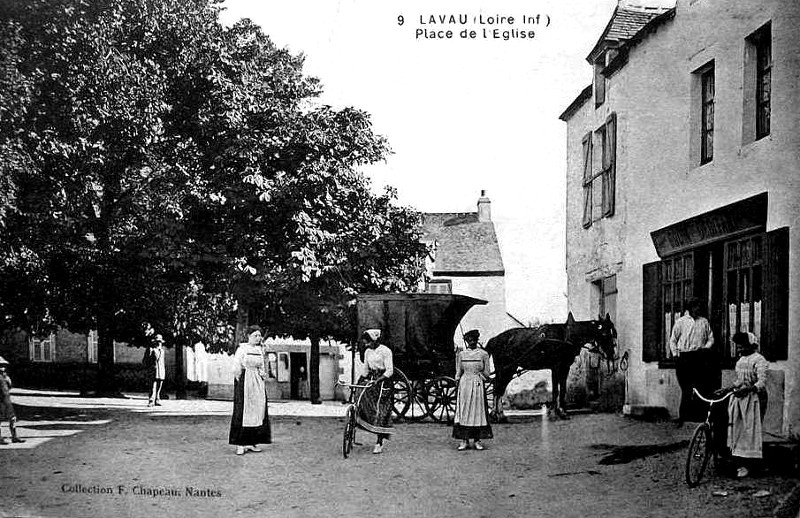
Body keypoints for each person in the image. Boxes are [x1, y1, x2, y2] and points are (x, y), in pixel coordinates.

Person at [724, 331, 769, 478]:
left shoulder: (759, 359)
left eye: (743, 346)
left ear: (752, 345)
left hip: (755, 398)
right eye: (738, 347)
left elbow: (761, 383)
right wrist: (729, 388)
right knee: (738, 429)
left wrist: (747, 390)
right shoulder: (741, 361)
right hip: (741, 398)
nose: (740, 349)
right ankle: (741, 463)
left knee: (751, 430)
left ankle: (753, 465)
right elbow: (740, 380)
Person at [668, 297, 715, 425]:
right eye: (696, 306)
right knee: (686, 388)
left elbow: (711, 338)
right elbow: (673, 339)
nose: (698, 309)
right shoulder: (681, 322)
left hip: (699, 357)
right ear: (690, 308)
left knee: (700, 387)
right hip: (684, 358)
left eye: (699, 306)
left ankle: (698, 417)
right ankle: (683, 417)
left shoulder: (704, 322)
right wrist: (675, 354)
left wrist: (706, 348)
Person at [229, 325, 271, 455]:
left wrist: (262, 376)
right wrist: (240, 380)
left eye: (259, 336)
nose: (258, 338)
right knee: (243, 412)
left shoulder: (259, 350)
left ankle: (253, 442)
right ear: (249, 336)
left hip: (257, 382)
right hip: (245, 381)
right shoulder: (242, 349)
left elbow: (262, 366)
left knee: (258, 411)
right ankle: (240, 444)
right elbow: (236, 366)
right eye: (255, 335)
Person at [453, 330, 493, 451]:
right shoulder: (461, 355)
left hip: (477, 385)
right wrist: (457, 380)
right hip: (465, 385)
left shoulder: (483, 354)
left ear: (477, 340)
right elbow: (458, 371)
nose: (472, 342)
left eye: (474, 340)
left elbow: (487, 373)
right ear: (466, 341)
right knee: (464, 412)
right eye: (469, 340)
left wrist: (480, 376)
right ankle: (464, 441)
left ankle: (477, 440)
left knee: (477, 412)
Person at [358, 329, 394, 454]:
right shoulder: (368, 352)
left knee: (380, 410)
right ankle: (363, 421)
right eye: (365, 343)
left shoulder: (385, 351)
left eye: (368, 342)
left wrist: (378, 380)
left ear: (374, 340)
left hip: (384, 382)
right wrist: (358, 382)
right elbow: (365, 371)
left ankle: (379, 442)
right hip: (372, 380)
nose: (366, 345)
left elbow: (389, 371)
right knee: (360, 396)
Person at [0, 356, 24, 444]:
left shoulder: (5, 377)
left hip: (6, 399)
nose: (2, 368)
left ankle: (14, 436)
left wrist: (6, 378)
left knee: (13, 418)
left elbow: (10, 386)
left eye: (3, 366)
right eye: (0, 366)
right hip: (0, 400)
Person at [147, 335, 166, 407]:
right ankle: (151, 400)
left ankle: (157, 400)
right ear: (154, 342)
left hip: (161, 371)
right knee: (152, 386)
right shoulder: (151, 350)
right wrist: (150, 368)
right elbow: (146, 360)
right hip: (153, 370)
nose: (159, 343)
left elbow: (162, 362)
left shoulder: (162, 351)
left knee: (159, 386)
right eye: (157, 342)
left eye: (160, 342)